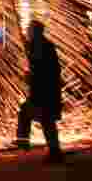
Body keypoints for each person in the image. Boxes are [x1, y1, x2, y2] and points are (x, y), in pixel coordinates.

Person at [15, 20, 64, 163]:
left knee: (44, 119)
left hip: (45, 90)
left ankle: (25, 141)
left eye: (29, 31)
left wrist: (31, 76)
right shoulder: (42, 44)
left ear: (35, 32)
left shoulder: (42, 46)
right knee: (43, 119)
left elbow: (40, 66)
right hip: (45, 89)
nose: (27, 33)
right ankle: (52, 150)